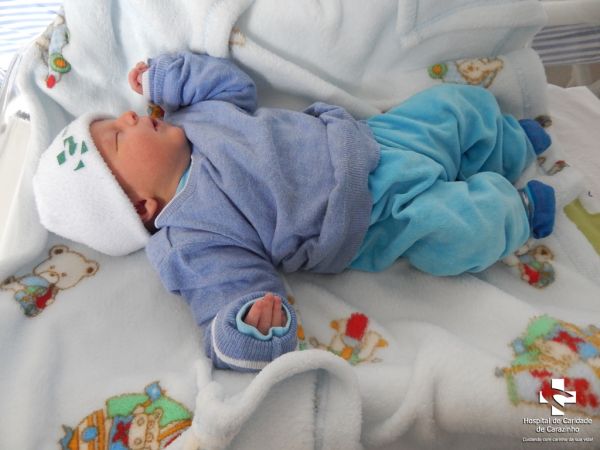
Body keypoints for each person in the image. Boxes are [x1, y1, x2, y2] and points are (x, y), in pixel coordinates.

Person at [33, 51, 556, 371]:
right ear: (141, 205)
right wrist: (248, 328)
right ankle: (517, 211)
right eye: (118, 138)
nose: (128, 116)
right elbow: (222, 294)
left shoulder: (193, 117)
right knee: (455, 229)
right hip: (368, 217)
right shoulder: (191, 235)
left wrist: (171, 76)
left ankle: (511, 143)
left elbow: (232, 87)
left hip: (367, 138)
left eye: (118, 117)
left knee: (453, 109)